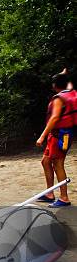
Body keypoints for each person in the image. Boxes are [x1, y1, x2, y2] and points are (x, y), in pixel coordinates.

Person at [36, 70, 76, 207]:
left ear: (54, 85)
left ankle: (64, 197)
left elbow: (54, 118)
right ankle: (49, 193)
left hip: (60, 135)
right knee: (46, 161)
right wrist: (64, 74)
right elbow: (68, 83)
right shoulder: (70, 91)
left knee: (58, 164)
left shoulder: (59, 99)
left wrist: (42, 136)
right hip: (58, 134)